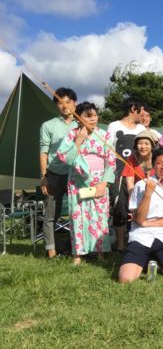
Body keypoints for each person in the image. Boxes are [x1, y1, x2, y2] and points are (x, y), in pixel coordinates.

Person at [54, 102, 116, 265]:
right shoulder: (72, 135)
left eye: (94, 115)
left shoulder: (105, 135)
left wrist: (104, 183)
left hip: (100, 179)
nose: (93, 119)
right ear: (78, 118)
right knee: (78, 216)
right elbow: (66, 158)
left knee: (100, 216)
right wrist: (79, 141)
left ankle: (100, 252)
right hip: (78, 179)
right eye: (88, 116)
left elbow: (111, 161)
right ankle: (78, 254)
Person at [118, 147, 163, 283]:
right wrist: (148, 194)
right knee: (126, 278)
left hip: (162, 236)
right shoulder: (140, 186)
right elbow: (138, 218)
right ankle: (146, 260)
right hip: (140, 236)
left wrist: (147, 223)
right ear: (153, 165)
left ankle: (156, 260)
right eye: (159, 163)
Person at [39, 87, 78, 258]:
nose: (64, 106)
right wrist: (44, 176)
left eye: (68, 102)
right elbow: (44, 151)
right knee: (51, 214)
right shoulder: (48, 125)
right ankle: (51, 250)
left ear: (74, 103)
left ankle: (77, 248)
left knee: (77, 212)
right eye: (60, 103)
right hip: (54, 173)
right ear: (56, 106)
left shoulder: (81, 124)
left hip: (76, 175)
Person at [107, 98, 146, 252]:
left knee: (139, 206)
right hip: (118, 173)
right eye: (141, 111)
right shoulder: (114, 126)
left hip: (137, 173)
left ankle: (138, 241)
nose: (143, 114)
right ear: (133, 109)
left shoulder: (141, 128)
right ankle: (120, 244)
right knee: (120, 206)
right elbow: (108, 149)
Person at [123, 129, 159, 194]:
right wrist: (133, 198)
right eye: (140, 143)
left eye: (146, 144)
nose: (143, 146)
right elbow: (130, 184)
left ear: (152, 146)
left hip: (156, 194)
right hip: (137, 194)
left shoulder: (158, 159)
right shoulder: (132, 160)